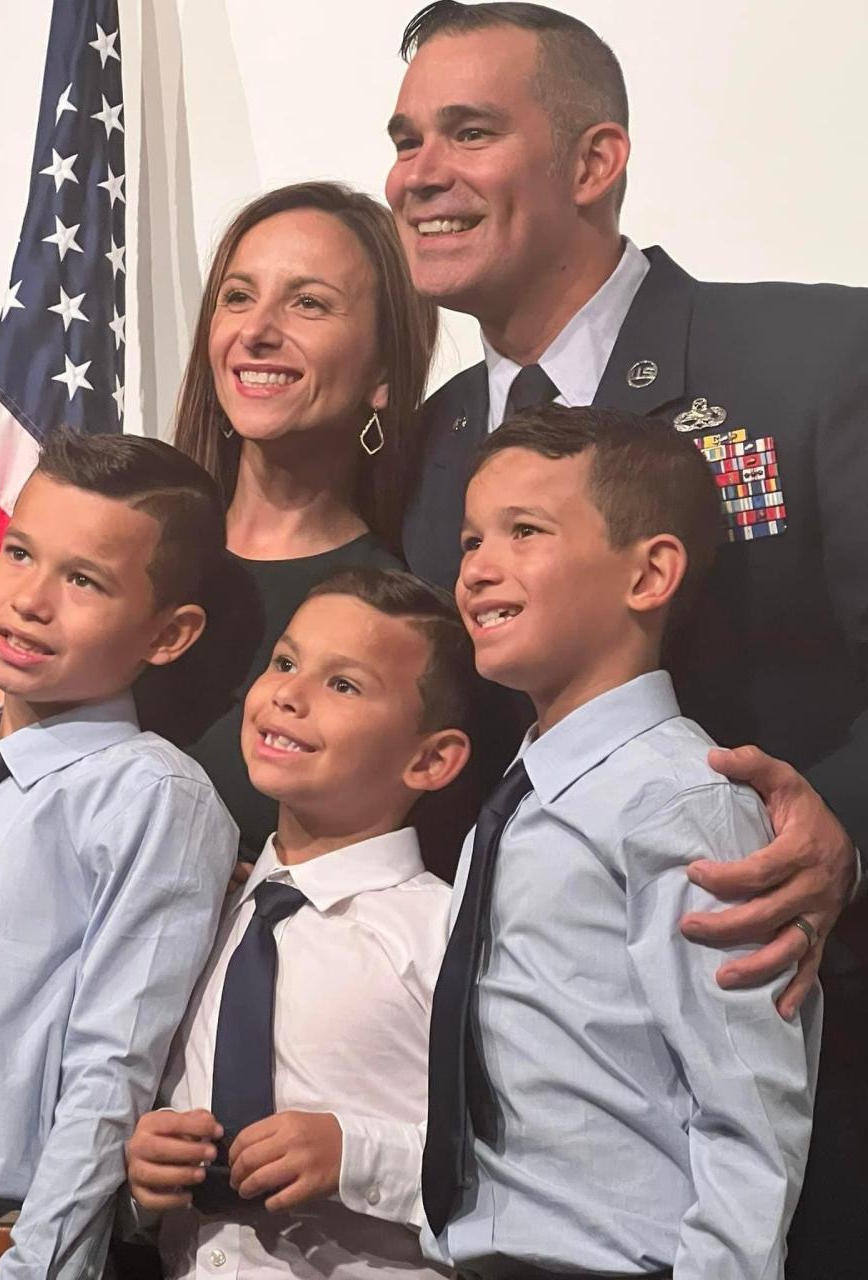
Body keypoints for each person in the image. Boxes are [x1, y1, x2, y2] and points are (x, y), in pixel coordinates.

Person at [385, 6, 867, 1270]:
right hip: (533, 1180)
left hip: (809, 1113)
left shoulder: (816, 356)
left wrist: (847, 828)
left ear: (597, 162)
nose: (418, 172)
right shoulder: (428, 456)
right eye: (406, 137)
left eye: (469, 130)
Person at [421, 404, 820, 1279]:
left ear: (650, 575)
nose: (480, 569)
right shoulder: (516, 799)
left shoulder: (679, 801)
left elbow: (751, 1111)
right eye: (469, 542)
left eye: (523, 532)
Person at [0, 430, 238, 1279]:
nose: (29, 600)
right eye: (20, 553)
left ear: (169, 634)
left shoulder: (150, 798)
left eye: (83, 580)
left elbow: (111, 1069)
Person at [125, 568, 475, 1280]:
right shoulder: (200, 917)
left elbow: (518, 1160)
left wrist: (355, 1154)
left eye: (342, 685)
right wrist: (139, 1173)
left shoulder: (447, 933)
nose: (287, 693)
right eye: (285, 662)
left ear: (430, 759)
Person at [158, 181, 437, 863]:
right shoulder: (134, 556)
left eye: (308, 302)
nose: (255, 331)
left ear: (384, 374)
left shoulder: (396, 616)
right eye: (237, 296)